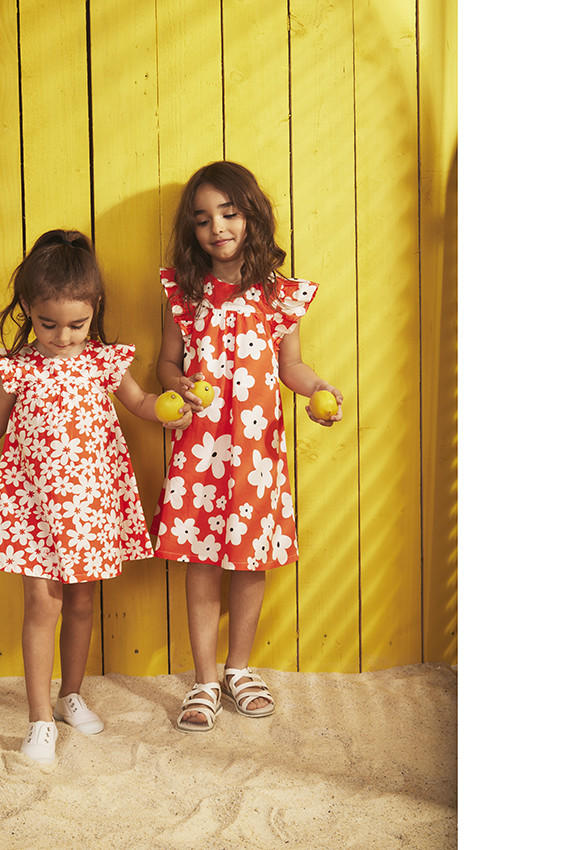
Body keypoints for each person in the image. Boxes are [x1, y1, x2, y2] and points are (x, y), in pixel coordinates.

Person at [0, 229, 191, 764]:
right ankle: (39, 720)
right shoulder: (19, 366)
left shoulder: (103, 360)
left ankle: (70, 696)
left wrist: (172, 406)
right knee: (42, 602)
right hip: (33, 504)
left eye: (76, 324)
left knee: (81, 600)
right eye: (48, 323)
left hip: (87, 504)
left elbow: (143, 403)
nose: (63, 337)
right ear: (28, 312)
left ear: (95, 309)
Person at [151, 162, 343, 732]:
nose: (218, 228)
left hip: (256, 454)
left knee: (250, 557)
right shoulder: (182, 291)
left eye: (229, 214)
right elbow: (166, 362)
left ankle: (240, 667)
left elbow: (292, 366)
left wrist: (317, 391)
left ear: (251, 216)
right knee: (202, 560)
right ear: (193, 230)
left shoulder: (279, 297)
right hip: (201, 446)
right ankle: (205, 678)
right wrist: (176, 384)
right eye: (204, 219)